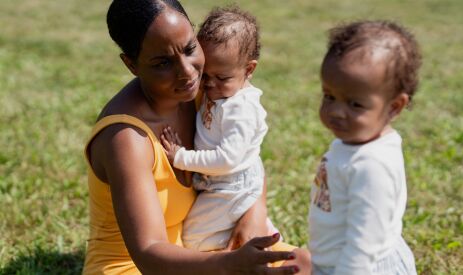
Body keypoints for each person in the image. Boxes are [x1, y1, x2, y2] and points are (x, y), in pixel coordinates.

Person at [83, 0, 309, 274]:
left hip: (203, 249)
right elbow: (148, 254)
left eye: (190, 48)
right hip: (139, 267)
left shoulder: (204, 93)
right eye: (163, 62)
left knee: (305, 264)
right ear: (131, 64)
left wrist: (254, 213)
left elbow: (245, 154)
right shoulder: (126, 139)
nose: (188, 72)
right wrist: (230, 264)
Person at [308, 20, 421, 275]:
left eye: (355, 104)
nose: (336, 111)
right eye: (329, 97)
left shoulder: (372, 166)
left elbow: (364, 244)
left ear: (394, 107)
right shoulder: (357, 141)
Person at [160, 6, 275, 252]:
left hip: (231, 185)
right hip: (217, 183)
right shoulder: (219, 93)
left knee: (194, 240)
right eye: (205, 75)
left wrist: (180, 157)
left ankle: (238, 253)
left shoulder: (240, 110)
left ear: (249, 69)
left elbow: (227, 159)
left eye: (222, 78)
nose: (210, 84)